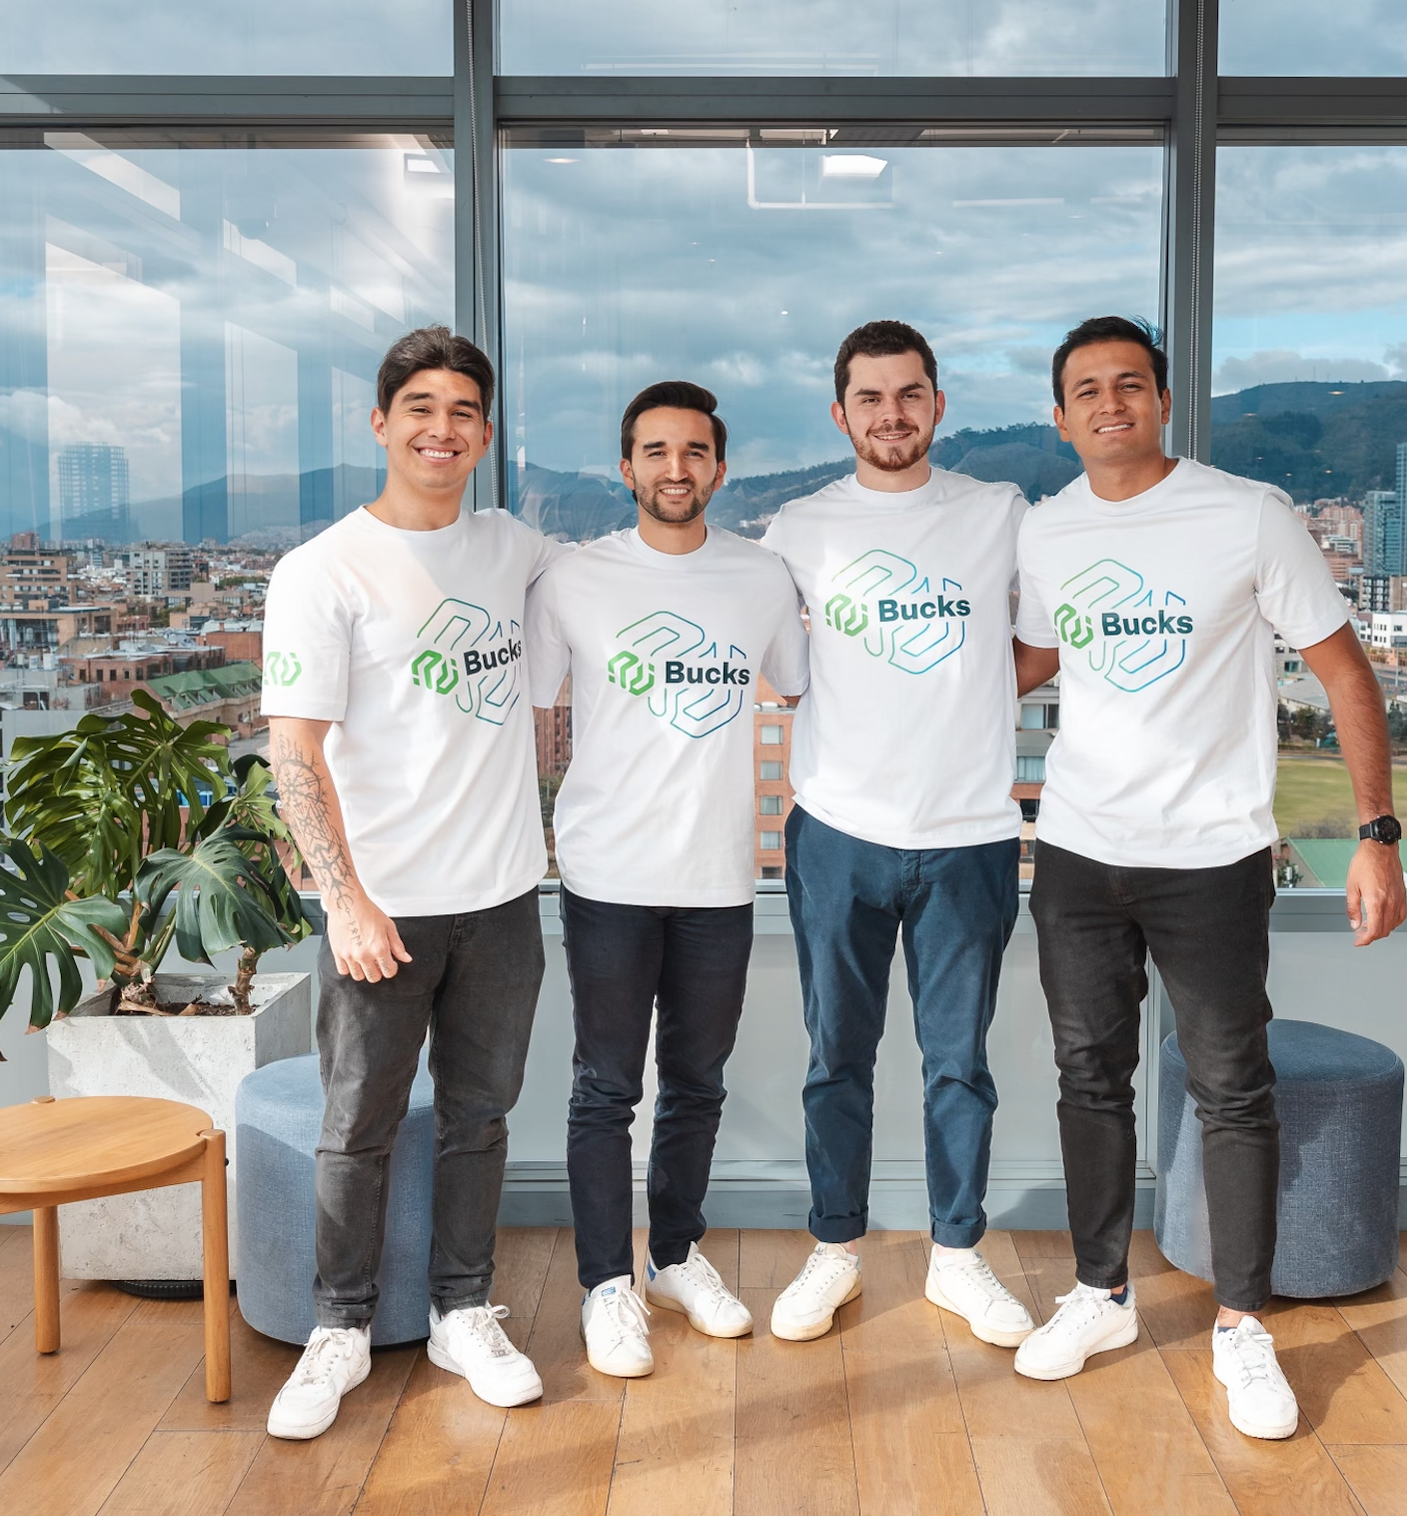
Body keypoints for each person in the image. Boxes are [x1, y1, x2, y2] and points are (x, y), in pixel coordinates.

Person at [1006, 316, 1407, 1432]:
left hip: (1212, 857)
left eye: (1127, 384)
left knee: (1233, 1087)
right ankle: (1099, 1294)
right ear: (1060, 415)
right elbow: (1032, 658)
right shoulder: (1046, 533)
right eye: (1084, 389)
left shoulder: (1246, 516)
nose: (1107, 403)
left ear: (1162, 400)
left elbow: (1345, 673)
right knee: (1088, 1076)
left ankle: (1241, 1325)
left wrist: (1376, 833)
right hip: (1080, 853)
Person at [258, 325, 560, 1438]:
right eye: (421, 408)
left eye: (464, 412)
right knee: (358, 1122)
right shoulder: (322, 570)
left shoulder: (512, 548)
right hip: (380, 908)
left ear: (485, 433)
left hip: (501, 898)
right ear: (380, 422)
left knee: (480, 1117)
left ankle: (463, 1309)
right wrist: (342, 900)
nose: (443, 429)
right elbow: (293, 752)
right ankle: (337, 1327)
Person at [761, 320, 1038, 1348]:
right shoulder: (796, 529)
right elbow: (777, 663)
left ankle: (956, 1258)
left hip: (968, 835)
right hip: (837, 832)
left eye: (909, 393)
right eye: (870, 397)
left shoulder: (998, 513)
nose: (891, 413)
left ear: (937, 404)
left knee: (957, 1060)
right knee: (837, 1055)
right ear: (840, 414)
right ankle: (835, 1249)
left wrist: (972, 696)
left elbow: (1042, 643)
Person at [526, 380, 812, 1379]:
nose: (676, 468)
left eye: (694, 451)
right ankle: (607, 1285)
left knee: (696, 1082)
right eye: (655, 451)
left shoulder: (761, 578)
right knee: (605, 1088)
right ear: (626, 467)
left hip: (718, 875)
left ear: (719, 467)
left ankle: (675, 1255)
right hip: (605, 871)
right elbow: (524, 709)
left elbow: (803, 686)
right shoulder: (573, 580)